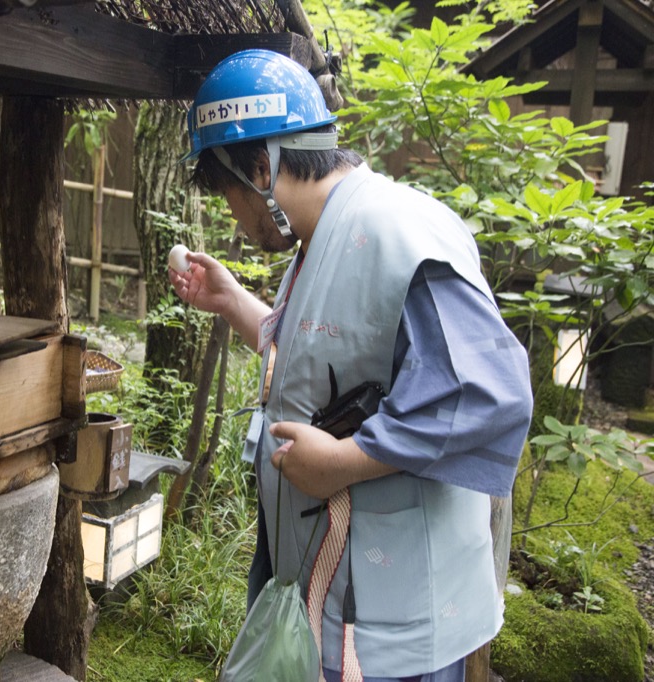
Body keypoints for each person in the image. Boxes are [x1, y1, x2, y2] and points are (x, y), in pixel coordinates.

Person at [169, 49, 533, 682]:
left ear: (261, 168)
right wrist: (232, 303)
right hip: (339, 595)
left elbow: (489, 392)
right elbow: (327, 353)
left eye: (228, 194)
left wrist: (342, 461)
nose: (233, 216)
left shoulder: (396, 232)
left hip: (395, 627)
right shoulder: (324, 235)